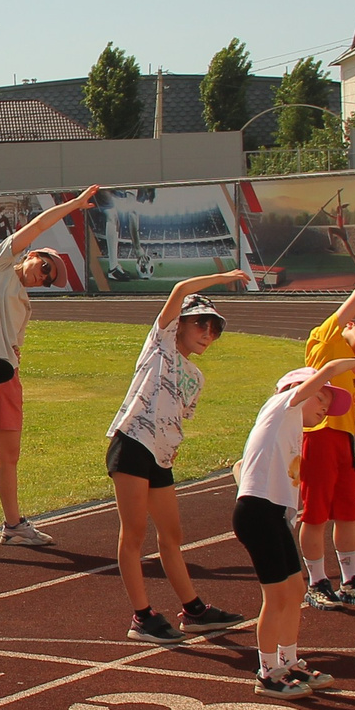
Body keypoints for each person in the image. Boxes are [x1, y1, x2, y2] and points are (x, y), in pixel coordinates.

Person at [0, 186, 104, 556]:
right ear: (32, 255)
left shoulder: (25, 304)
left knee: (10, 455)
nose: (44, 277)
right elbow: (37, 225)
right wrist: (72, 206)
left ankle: (13, 525)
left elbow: (15, 343)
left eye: (49, 279)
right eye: (45, 267)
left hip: (8, 374)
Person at [106, 267, 255, 643]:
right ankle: (142, 616)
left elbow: (176, 418)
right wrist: (222, 277)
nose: (208, 334)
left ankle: (194, 610)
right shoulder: (160, 345)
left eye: (214, 329)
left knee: (172, 536)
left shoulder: (196, 377)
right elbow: (180, 287)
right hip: (132, 445)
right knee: (134, 534)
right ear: (180, 324)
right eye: (201, 324)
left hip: (161, 457)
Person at [233, 353, 355, 697]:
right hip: (257, 513)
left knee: (296, 591)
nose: (326, 408)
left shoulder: (289, 432)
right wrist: (349, 363)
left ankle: (288, 660)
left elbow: (242, 465)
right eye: (322, 398)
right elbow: (324, 371)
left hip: (271, 514)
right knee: (277, 595)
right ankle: (268, 672)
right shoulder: (281, 406)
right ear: (297, 390)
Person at [300, 278, 355, 611]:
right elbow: (341, 317)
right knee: (315, 514)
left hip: (344, 441)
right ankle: (317, 581)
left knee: (347, 514)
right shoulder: (326, 343)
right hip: (319, 437)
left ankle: (351, 580)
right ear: (349, 325)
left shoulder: (354, 365)